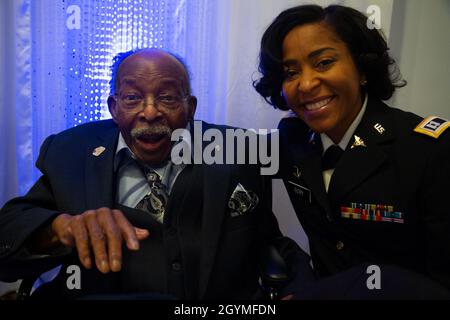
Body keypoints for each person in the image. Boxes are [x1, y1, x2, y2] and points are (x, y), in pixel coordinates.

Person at [0, 48, 301, 300]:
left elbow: (270, 242)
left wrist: (302, 290)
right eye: (132, 98)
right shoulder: (71, 152)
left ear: (190, 107)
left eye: (168, 97)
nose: (150, 112)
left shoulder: (239, 150)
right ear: (114, 107)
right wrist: (60, 229)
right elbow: (10, 230)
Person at [253, 4, 450, 298]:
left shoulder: (428, 151)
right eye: (291, 72)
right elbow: (229, 150)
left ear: (362, 69)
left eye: (323, 63)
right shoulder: (292, 139)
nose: (306, 84)